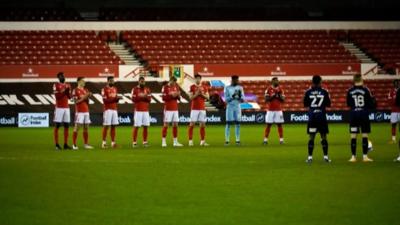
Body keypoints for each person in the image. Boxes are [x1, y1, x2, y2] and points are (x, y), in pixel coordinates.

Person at [347, 74, 376, 162]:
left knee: (353, 136)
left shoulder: (350, 90)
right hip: (363, 114)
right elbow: (371, 104)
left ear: (354, 80)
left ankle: (353, 157)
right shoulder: (366, 90)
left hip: (354, 115)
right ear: (361, 80)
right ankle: (365, 157)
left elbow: (348, 104)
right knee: (364, 136)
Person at [303, 75, 332, 163]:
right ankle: (326, 157)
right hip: (321, 117)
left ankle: (310, 158)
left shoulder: (308, 92)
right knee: (324, 137)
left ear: (312, 81)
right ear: (320, 82)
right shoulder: (325, 91)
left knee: (311, 137)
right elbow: (328, 104)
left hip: (312, 117)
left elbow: (305, 104)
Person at [71, 77, 93, 150]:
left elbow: (86, 101)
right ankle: (74, 144)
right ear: (79, 82)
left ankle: (86, 144)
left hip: (86, 111)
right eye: (83, 81)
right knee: (77, 128)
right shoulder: (75, 90)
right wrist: (84, 97)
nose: (84, 82)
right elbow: (75, 102)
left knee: (86, 128)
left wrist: (89, 96)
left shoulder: (86, 90)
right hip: (79, 112)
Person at [161, 76, 183, 147]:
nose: (174, 83)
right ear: (170, 80)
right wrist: (173, 95)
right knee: (166, 125)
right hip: (168, 109)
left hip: (175, 109)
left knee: (175, 125)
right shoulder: (165, 87)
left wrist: (178, 95)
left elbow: (179, 98)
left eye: (175, 82)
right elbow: (164, 98)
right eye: (173, 82)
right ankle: (163, 141)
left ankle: (175, 142)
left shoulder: (176, 87)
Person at [188, 74, 210, 146]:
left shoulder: (204, 87)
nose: (197, 80)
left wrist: (202, 94)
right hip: (194, 108)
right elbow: (190, 98)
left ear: (200, 79)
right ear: (194, 79)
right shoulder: (192, 87)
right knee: (192, 124)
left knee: (202, 125)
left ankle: (202, 141)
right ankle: (190, 141)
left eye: (198, 78)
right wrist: (197, 94)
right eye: (196, 78)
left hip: (202, 108)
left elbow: (208, 97)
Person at [53, 72, 72, 150]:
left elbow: (69, 97)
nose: (63, 77)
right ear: (58, 78)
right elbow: (57, 97)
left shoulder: (68, 85)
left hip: (66, 108)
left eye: (63, 76)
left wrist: (67, 92)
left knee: (66, 126)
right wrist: (65, 91)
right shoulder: (56, 85)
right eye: (61, 76)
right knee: (57, 125)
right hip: (59, 108)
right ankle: (57, 144)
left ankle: (65, 144)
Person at [264, 77, 285, 145]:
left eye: (277, 80)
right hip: (270, 110)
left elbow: (283, 100)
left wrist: (278, 95)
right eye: (276, 81)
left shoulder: (280, 89)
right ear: (272, 81)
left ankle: (281, 140)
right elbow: (266, 100)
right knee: (268, 124)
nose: (277, 82)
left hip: (278, 110)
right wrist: (273, 96)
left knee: (279, 124)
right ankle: (265, 140)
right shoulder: (268, 89)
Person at [131, 76, 152, 148]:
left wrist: (144, 97)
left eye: (143, 81)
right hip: (138, 110)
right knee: (136, 126)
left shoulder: (147, 89)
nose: (142, 82)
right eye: (141, 81)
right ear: (138, 81)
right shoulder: (135, 89)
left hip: (145, 110)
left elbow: (149, 100)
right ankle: (134, 142)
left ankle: (145, 141)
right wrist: (142, 97)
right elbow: (133, 99)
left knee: (146, 126)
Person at [224, 75, 244, 145]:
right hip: (230, 107)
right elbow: (226, 100)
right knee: (228, 123)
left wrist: (239, 97)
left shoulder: (240, 88)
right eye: (235, 80)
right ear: (232, 80)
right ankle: (227, 140)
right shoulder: (227, 88)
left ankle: (237, 140)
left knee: (238, 123)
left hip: (237, 107)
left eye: (237, 80)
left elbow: (243, 99)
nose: (237, 81)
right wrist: (232, 97)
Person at [101, 76, 121, 149]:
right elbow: (105, 101)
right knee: (106, 126)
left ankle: (113, 143)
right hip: (107, 110)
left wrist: (117, 99)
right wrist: (115, 99)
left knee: (113, 126)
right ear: (108, 81)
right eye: (110, 81)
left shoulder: (115, 89)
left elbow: (114, 99)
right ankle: (104, 143)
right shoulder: (104, 89)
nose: (112, 82)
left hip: (114, 109)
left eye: (113, 81)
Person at [388, 79, 400, 144]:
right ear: (393, 84)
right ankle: (393, 139)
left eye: (398, 83)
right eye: (395, 83)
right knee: (393, 125)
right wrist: (395, 101)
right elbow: (389, 100)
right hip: (394, 111)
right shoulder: (391, 91)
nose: (397, 84)